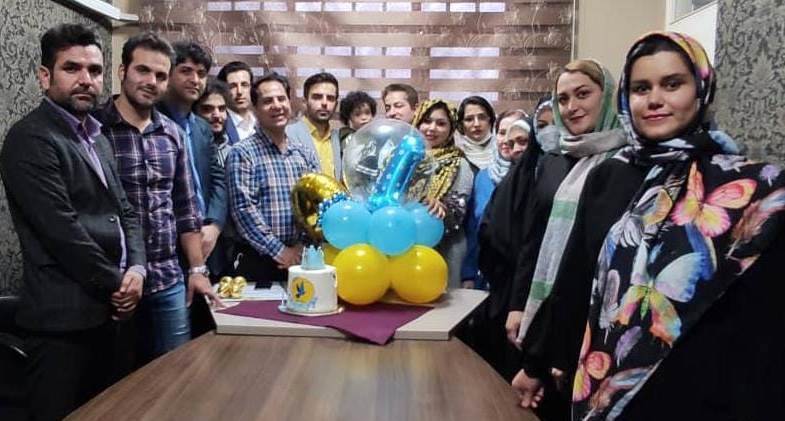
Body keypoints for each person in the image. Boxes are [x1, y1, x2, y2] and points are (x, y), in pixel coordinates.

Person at [522, 31, 785, 420]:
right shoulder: (609, 176)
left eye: (673, 84)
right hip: (612, 380)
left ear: (701, 89)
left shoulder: (752, 186)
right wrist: (537, 364)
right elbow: (576, 276)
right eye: (641, 88)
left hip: (707, 383)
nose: (655, 99)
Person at [0, 24, 146, 420]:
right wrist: (120, 285)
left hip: (109, 317)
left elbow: (125, 211)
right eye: (72, 68)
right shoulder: (30, 138)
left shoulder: (96, 137)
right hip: (62, 326)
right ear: (44, 76)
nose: (86, 79)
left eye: (94, 70)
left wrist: (137, 269)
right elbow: (63, 232)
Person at [505, 59, 627, 420]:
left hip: (594, 312)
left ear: (607, 96)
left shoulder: (627, 162)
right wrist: (518, 304)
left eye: (583, 94)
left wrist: (562, 344)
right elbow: (533, 238)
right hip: (544, 308)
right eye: (563, 99)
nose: (572, 107)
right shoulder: (554, 160)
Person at [96, 32, 221, 363]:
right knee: (118, 379)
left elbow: (185, 207)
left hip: (168, 279)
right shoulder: (94, 129)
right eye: (143, 70)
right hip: (115, 282)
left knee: (178, 372)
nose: (151, 82)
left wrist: (197, 269)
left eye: (161, 75)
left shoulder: (172, 133)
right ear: (122, 71)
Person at [226, 73, 320, 285]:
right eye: (268, 101)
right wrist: (281, 252)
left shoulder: (304, 153)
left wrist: (300, 247)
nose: (277, 106)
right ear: (255, 109)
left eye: (281, 99)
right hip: (259, 261)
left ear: (289, 102)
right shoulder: (242, 153)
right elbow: (244, 210)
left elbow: (315, 205)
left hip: (301, 258)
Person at [407, 99, 474, 288]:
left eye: (441, 123)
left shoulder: (458, 163)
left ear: (451, 129)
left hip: (445, 248)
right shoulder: (404, 160)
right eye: (426, 121)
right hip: (403, 246)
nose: (432, 128)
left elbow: (458, 211)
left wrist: (440, 208)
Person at [285, 72, 342, 181]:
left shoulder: (340, 139)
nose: (324, 103)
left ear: (336, 104)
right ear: (305, 101)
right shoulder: (287, 135)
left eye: (330, 98)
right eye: (317, 97)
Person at [194, 78, 233, 166]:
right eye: (207, 109)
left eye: (221, 109)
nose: (217, 115)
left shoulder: (233, 152)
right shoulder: (189, 151)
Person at [217, 60, 256, 144]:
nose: (239, 92)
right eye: (232, 86)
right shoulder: (218, 124)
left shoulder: (262, 121)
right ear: (222, 91)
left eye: (244, 85)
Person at [455, 96, 497, 173]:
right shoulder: (455, 158)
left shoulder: (504, 152)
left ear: (490, 120)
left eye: (482, 117)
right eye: (469, 119)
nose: (476, 124)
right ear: (461, 124)